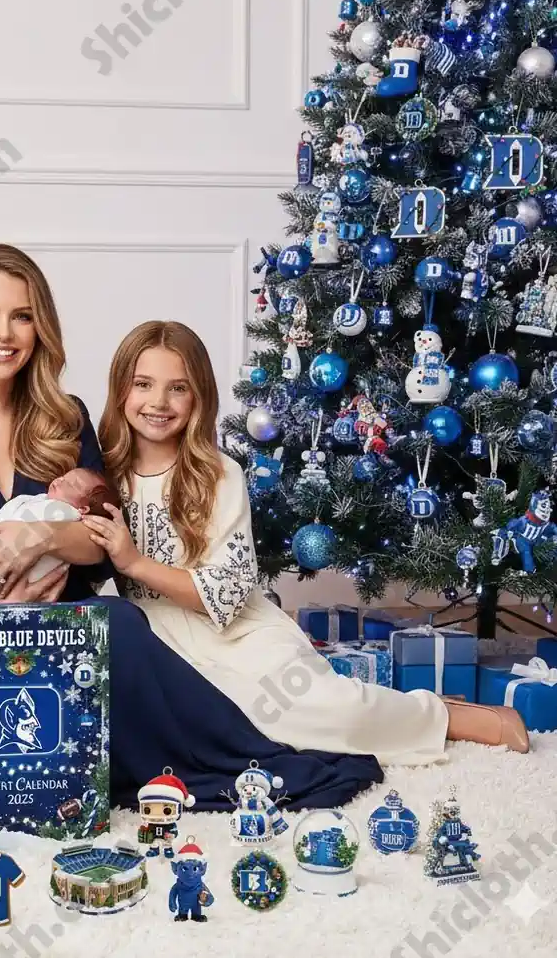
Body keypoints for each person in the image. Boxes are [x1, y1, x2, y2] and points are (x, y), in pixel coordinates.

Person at [0, 243, 386, 811]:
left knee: (120, 620)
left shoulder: (65, 418)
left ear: (40, 329)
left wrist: (42, 538)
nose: (3, 333)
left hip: (63, 635)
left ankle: (239, 760)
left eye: (22, 316)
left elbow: (104, 545)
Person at [84, 320, 530, 766]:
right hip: (154, 642)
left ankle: (445, 716)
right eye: (143, 384)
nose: (159, 402)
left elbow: (228, 593)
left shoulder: (217, 475)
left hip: (236, 634)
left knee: (305, 710)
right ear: (121, 388)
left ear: (199, 396)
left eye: (178, 388)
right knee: (238, 733)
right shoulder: (99, 477)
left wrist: (135, 563)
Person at [0, 468, 118, 599]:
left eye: (72, 484)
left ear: (84, 509)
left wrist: (42, 535)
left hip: (51, 605)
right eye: (63, 476)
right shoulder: (37, 500)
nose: (60, 480)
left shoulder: (62, 511)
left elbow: (105, 540)